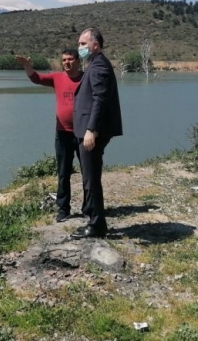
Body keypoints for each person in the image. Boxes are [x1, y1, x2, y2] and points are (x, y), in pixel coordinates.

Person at [15, 50, 83, 222]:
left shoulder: (86, 78)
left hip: (83, 133)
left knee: (88, 173)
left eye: (70, 59)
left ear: (78, 61)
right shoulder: (57, 78)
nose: (67, 62)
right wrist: (27, 66)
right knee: (63, 173)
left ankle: (90, 208)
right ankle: (63, 209)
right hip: (62, 134)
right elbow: (36, 78)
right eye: (64, 60)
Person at [71, 28, 123, 239]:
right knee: (89, 175)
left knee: (91, 178)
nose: (80, 48)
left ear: (95, 45)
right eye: (79, 44)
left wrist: (91, 130)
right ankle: (92, 217)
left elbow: (100, 99)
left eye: (84, 44)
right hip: (87, 130)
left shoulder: (99, 65)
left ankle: (96, 225)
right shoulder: (94, 64)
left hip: (91, 132)